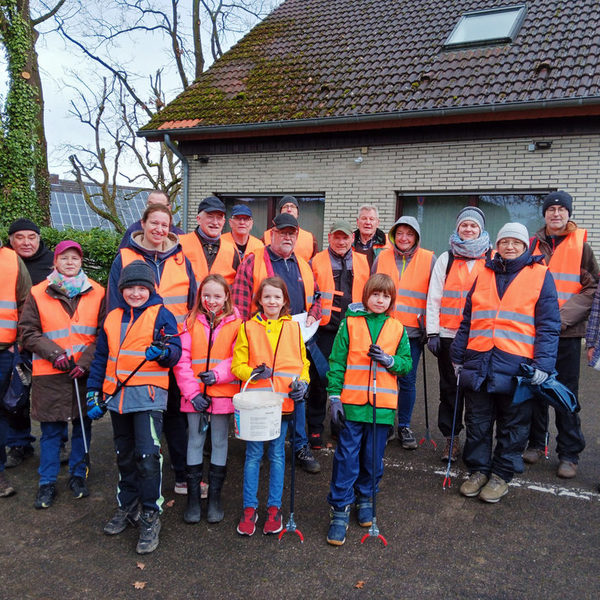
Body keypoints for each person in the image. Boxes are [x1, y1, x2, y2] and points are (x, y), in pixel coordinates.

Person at [450, 223, 560, 503]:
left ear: (526, 246)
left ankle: (501, 476)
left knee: (513, 425)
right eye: (504, 242)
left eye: (516, 242)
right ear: (496, 245)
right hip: (479, 361)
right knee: (477, 422)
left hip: (517, 366)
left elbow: (548, 326)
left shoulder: (540, 276)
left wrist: (543, 367)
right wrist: (457, 357)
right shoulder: (483, 273)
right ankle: (478, 470)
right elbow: (467, 320)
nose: (509, 247)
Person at [86, 260, 181, 554]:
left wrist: (163, 353)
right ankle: (127, 505)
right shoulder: (112, 317)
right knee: (124, 455)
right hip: (116, 398)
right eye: (130, 288)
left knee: (147, 456)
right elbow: (102, 357)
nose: (136, 293)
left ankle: (151, 513)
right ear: (122, 290)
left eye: (142, 288)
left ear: (150, 288)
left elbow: (175, 352)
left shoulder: (162, 314)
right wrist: (93, 392)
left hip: (149, 398)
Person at [108, 203, 196, 494]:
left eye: (165, 224)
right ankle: (138, 478)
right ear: (142, 224)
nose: (159, 230)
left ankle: (181, 473)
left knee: (175, 413)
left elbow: (193, 301)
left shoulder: (182, 258)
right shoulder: (125, 257)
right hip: (138, 354)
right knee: (139, 418)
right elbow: (114, 307)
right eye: (154, 223)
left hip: (174, 347)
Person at [325, 274, 412, 545]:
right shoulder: (350, 324)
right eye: (375, 294)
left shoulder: (397, 327)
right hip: (351, 406)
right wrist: (334, 397)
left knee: (373, 459)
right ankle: (340, 507)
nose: (380, 300)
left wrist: (390, 360)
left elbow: (407, 363)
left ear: (391, 300)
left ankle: (366, 498)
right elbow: (337, 361)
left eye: (386, 296)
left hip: (382, 409)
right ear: (366, 295)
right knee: (346, 459)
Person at [18, 241, 105, 509]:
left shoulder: (98, 292)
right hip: (50, 375)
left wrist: (87, 363)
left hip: (83, 375)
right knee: (51, 431)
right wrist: (55, 354)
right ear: (55, 262)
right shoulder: (38, 292)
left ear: (81, 262)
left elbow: (104, 334)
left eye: (75, 258)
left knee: (82, 428)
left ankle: (78, 476)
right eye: (64, 258)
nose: (70, 262)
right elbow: (28, 331)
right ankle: (47, 483)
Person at [233, 212, 321, 473]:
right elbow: (239, 305)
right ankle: (260, 442)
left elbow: (315, 297)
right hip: (262, 336)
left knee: (297, 390)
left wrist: (313, 316)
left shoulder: (304, 264)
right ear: (272, 234)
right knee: (264, 392)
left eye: (292, 233)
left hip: (293, 336)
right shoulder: (253, 260)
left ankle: (300, 446)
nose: (287, 237)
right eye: (282, 232)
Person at [523, 191, 598, 478]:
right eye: (551, 209)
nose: (556, 214)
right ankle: (536, 443)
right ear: (544, 214)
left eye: (561, 209)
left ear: (568, 214)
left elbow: (591, 288)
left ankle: (569, 452)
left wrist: (559, 320)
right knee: (535, 389)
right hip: (535, 333)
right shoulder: (531, 245)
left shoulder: (582, 247)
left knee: (565, 393)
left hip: (565, 334)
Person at [232, 277, 310, 536]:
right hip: (257, 405)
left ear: (285, 300)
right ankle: (249, 508)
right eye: (267, 297)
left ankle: (274, 509)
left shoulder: (295, 328)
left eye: (277, 297)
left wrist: (304, 384)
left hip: (283, 403)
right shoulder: (247, 327)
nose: (272, 301)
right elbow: (237, 366)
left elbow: (302, 364)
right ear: (260, 301)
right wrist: (254, 372)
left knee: (277, 456)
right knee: (253, 456)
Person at [173, 274, 241, 524]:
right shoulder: (189, 322)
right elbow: (182, 361)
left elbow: (238, 357)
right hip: (194, 396)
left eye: (217, 295)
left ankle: (214, 498)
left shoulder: (237, 323)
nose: (211, 300)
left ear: (226, 297)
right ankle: (193, 499)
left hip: (222, 394)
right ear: (200, 297)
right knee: (195, 440)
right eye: (206, 295)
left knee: (220, 441)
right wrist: (192, 393)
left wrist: (217, 375)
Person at [426, 207, 491, 461]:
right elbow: (434, 296)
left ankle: (476, 445)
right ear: (457, 228)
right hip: (448, 335)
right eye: (464, 225)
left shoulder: (492, 258)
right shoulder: (447, 258)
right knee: (450, 391)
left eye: (473, 226)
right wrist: (432, 331)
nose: (468, 229)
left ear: (481, 229)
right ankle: (451, 440)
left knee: (477, 393)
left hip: (480, 338)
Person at [373, 216, 435, 449]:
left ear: (416, 237)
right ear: (393, 235)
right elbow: (372, 288)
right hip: (384, 328)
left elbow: (434, 295)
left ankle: (404, 425)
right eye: (400, 233)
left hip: (412, 332)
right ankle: (387, 423)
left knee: (407, 380)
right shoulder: (381, 257)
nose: (404, 238)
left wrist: (431, 329)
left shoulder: (429, 259)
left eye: (409, 234)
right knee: (386, 378)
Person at [307, 220, 370, 448]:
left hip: (354, 330)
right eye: (337, 237)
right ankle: (315, 427)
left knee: (347, 380)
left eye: (345, 238)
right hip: (324, 330)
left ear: (352, 239)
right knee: (319, 380)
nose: (341, 241)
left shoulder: (363, 261)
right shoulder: (316, 261)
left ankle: (339, 425)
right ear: (330, 237)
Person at [5, 218, 54, 469]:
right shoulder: (7, 264)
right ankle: (19, 443)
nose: (26, 242)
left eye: (31, 237)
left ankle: (57, 441)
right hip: (18, 344)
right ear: (11, 240)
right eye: (20, 238)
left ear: (39, 238)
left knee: (50, 394)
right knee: (16, 398)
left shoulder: (52, 262)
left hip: (49, 343)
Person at [0, 240, 32, 497]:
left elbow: (25, 303)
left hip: (4, 351)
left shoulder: (11, 260)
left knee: (4, 410)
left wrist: (18, 343)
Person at [179, 196, 240, 286]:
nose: (215, 222)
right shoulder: (179, 245)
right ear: (198, 219)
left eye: (219, 218)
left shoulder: (231, 250)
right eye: (210, 217)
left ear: (223, 221)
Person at [119, 190, 183, 250]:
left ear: (169, 208)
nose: (159, 230)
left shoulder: (180, 235)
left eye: (159, 206)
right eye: (150, 205)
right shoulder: (133, 230)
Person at [262, 196, 318, 262]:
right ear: (280, 212)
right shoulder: (266, 237)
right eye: (285, 206)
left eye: (293, 206)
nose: (289, 209)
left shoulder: (310, 239)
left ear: (298, 213)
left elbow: (315, 265)